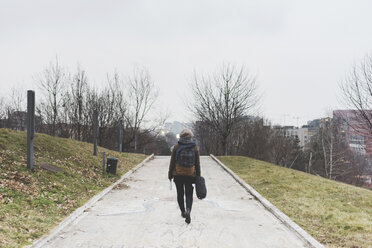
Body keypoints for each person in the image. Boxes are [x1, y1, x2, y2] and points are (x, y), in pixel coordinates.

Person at [168, 129, 201, 224]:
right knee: (189, 194)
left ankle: (183, 212)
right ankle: (188, 210)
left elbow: (172, 162)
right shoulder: (194, 147)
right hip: (190, 175)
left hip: (178, 174)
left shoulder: (176, 146)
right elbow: (197, 163)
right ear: (191, 136)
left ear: (181, 137)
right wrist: (198, 176)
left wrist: (170, 174)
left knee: (180, 193)